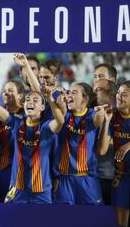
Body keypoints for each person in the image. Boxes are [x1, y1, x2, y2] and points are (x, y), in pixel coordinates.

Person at [0, 60, 64, 204]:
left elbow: (60, 121)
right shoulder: (16, 124)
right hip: (17, 189)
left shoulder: (46, 128)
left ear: (42, 108)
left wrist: (49, 99)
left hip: (41, 191)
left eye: (35, 100)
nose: (30, 102)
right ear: (23, 104)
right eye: (28, 99)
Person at [53, 82, 105, 205]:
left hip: (87, 179)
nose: (69, 95)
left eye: (74, 92)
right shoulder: (63, 115)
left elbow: (97, 121)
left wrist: (101, 114)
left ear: (85, 99)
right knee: (63, 219)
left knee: (92, 219)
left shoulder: (92, 114)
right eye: (69, 92)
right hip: (64, 178)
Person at [97, 80, 130, 227]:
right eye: (118, 93)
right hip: (121, 175)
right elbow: (102, 150)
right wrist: (107, 121)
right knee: (120, 221)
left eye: (124, 95)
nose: (119, 97)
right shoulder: (114, 117)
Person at [93, 79, 117, 205]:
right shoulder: (91, 113)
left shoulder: (120, 116)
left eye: (97, 90)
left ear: (111, 94)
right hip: (94, 178)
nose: (93, 92)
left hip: (116, 179)